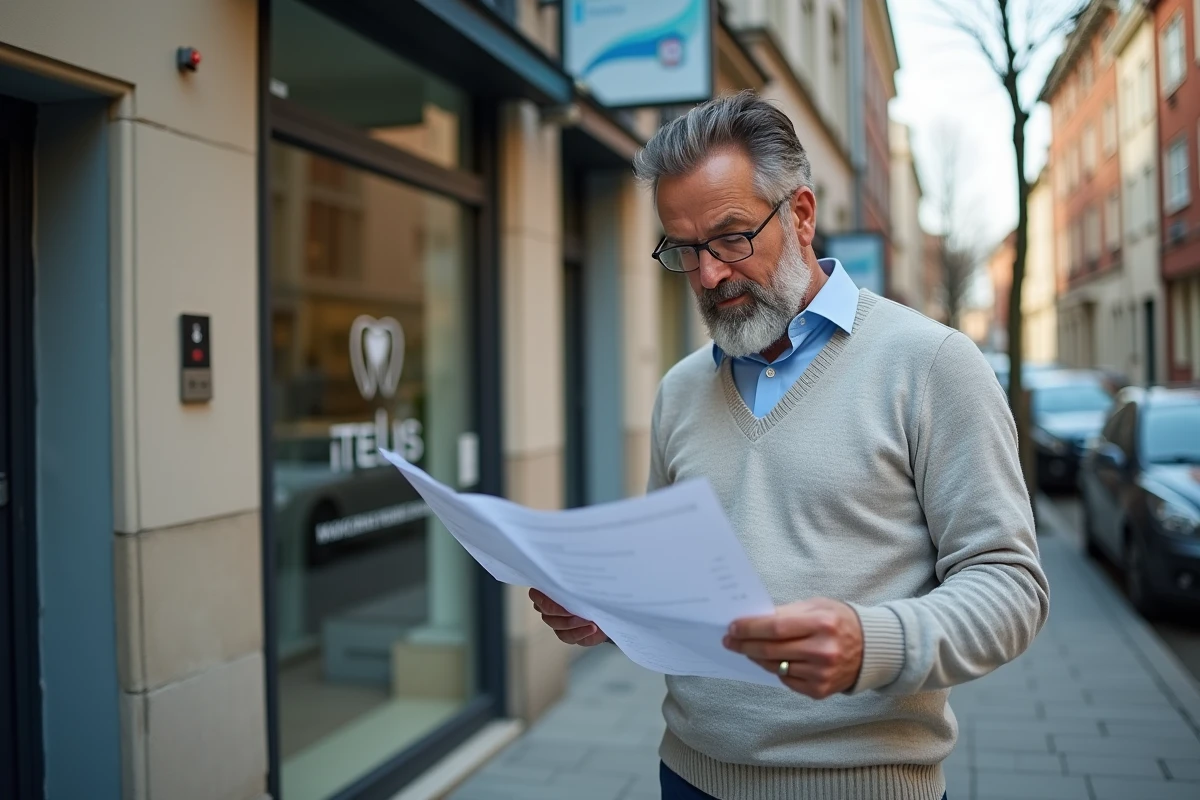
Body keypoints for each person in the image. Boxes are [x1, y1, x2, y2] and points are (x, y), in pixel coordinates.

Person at [528, 90, 1049, 800]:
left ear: (801, 215)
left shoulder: (930, 364)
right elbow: (676, 578)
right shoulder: (680, 391)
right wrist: (613, 612)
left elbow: (1011, 586)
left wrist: (872, 642)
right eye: (684, 249)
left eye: (732, 237)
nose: (709, 274)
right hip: (687, 775)